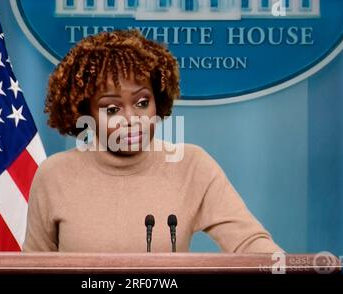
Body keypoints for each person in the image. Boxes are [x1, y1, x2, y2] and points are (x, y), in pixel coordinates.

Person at [22, 29, 283, 253]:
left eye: (142, 102)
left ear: (158, 101)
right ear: (85, 112)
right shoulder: (54, 175)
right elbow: (33, 268)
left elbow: (250, 243)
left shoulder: (192, 165)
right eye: (112, 109)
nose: (132, 118)